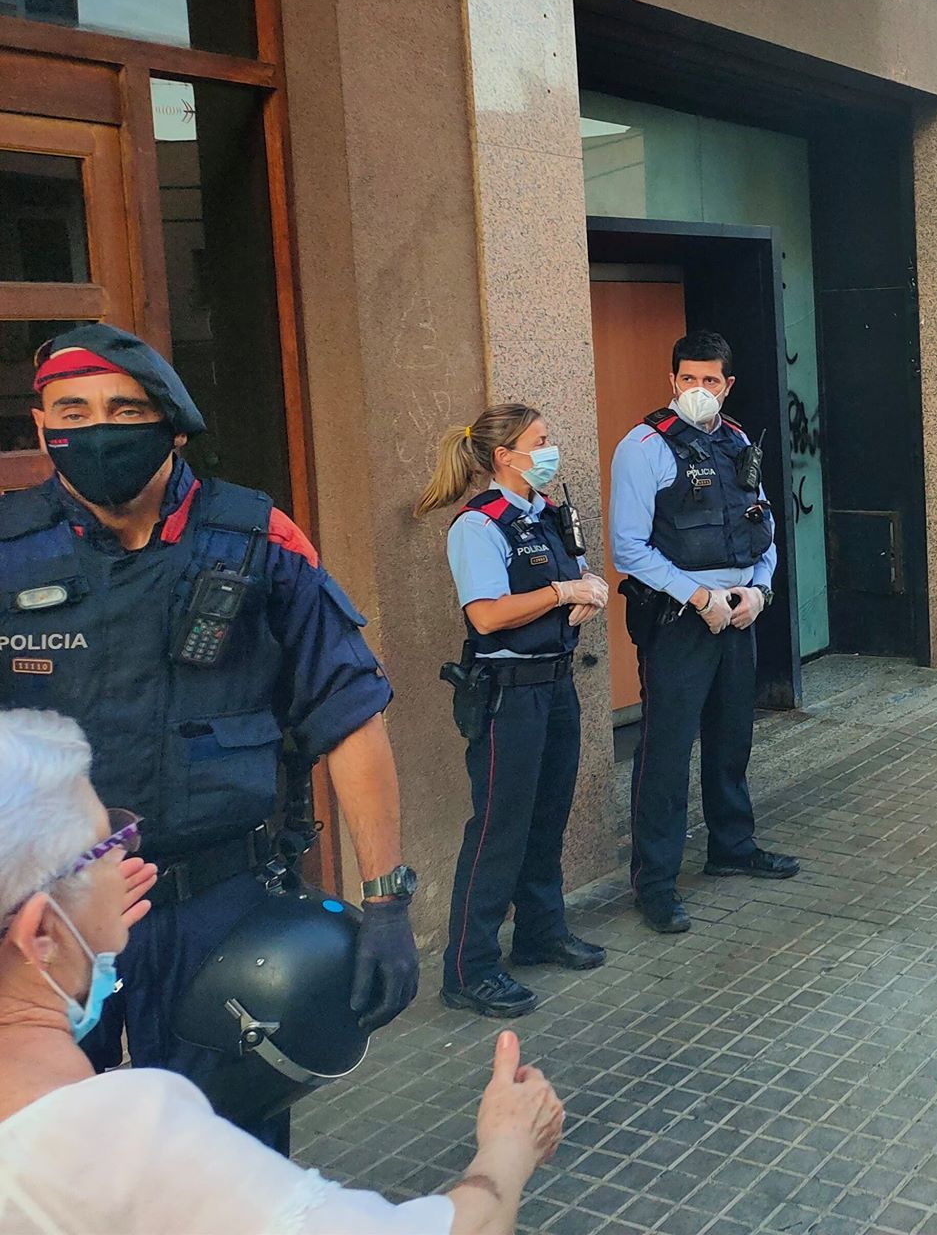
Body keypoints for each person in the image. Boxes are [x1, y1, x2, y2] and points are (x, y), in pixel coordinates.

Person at [0, 324, 417, 1147]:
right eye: (71, 409)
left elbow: (349, 717)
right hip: (47, 914)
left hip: (216, 910)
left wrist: (388, 902)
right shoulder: (9, 549)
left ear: (172, 423)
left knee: (228, 1155)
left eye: (124, 409)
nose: (97, 430)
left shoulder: (257, 542)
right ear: (40, 421)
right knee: (45, 1155)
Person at [0, 710, 565, 1235]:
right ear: (40, 934)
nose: (128, 857)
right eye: (110, 844)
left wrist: (60, 966)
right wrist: (509, 1145)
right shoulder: (133, 1141)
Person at [416, 405, 610, 1018]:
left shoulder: (547, 513)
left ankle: (539, 931)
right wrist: (561, 593)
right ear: (504, 456)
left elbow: (570, 577)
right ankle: (469, 967)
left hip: (555, 684)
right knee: (499, 827)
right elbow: (487, 615)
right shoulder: (478, 525)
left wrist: (590, 589)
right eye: (541, 441)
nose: (551, 449)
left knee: (547, 813)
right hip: (507, 691)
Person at [611, 331, 799, 937]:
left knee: (731, 737)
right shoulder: (642, 447)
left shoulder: (739, 439)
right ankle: (656, 884)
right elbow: (628, 549)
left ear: (728, 384)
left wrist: (757, 591)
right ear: (671, 381)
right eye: (687, 379)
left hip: (737, 612)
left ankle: (732, 845)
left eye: (710, 380)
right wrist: (699, 596)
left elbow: (762, 523)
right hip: (679, 618)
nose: (698, 390)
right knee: (666, 753)